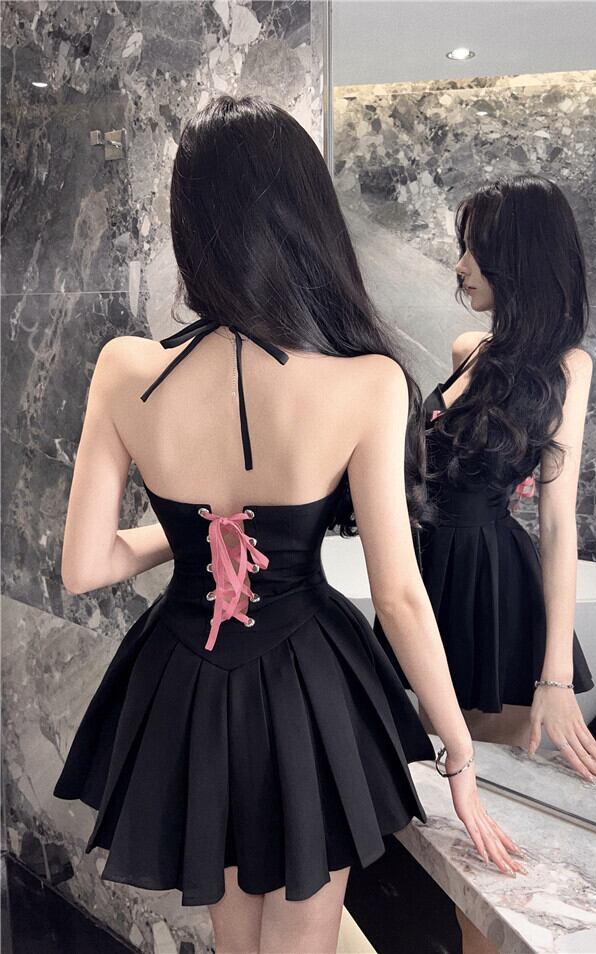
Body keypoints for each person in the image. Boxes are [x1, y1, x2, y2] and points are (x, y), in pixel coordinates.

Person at [52, 96, 526, 954]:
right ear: (306, 219)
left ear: (193, 226)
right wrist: (458, 753)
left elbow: (84, 567)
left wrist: (202, 539)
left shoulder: (125, 369)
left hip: (188, 686)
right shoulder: (367, 381)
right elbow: (398, 597)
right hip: (307, 687)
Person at [374, 175, 596, 778]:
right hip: (425, 573)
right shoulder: (468, 350)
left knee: (492, 777)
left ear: (519, 258)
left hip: (490, 587)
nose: (460, 266)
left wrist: (555, 677)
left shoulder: (567, 367)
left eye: (474, 250)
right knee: (430, 772)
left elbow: (557, 525)